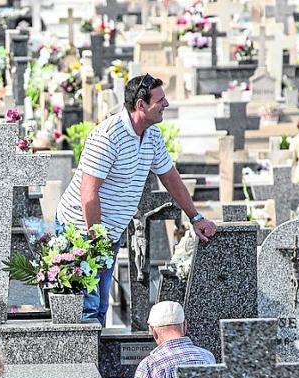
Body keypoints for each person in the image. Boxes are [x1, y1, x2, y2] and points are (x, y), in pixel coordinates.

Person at [56, 73, 219, 325]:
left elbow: (170, 177)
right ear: (141, 105)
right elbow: (88, 194)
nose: (166, 104)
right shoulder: (108, 136)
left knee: (99, 308)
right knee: (86, 310)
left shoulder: (151, 135)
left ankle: (94, 350)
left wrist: (195, 218)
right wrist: (96, 243)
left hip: (107, 234)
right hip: (81, 231)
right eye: (160, 100)